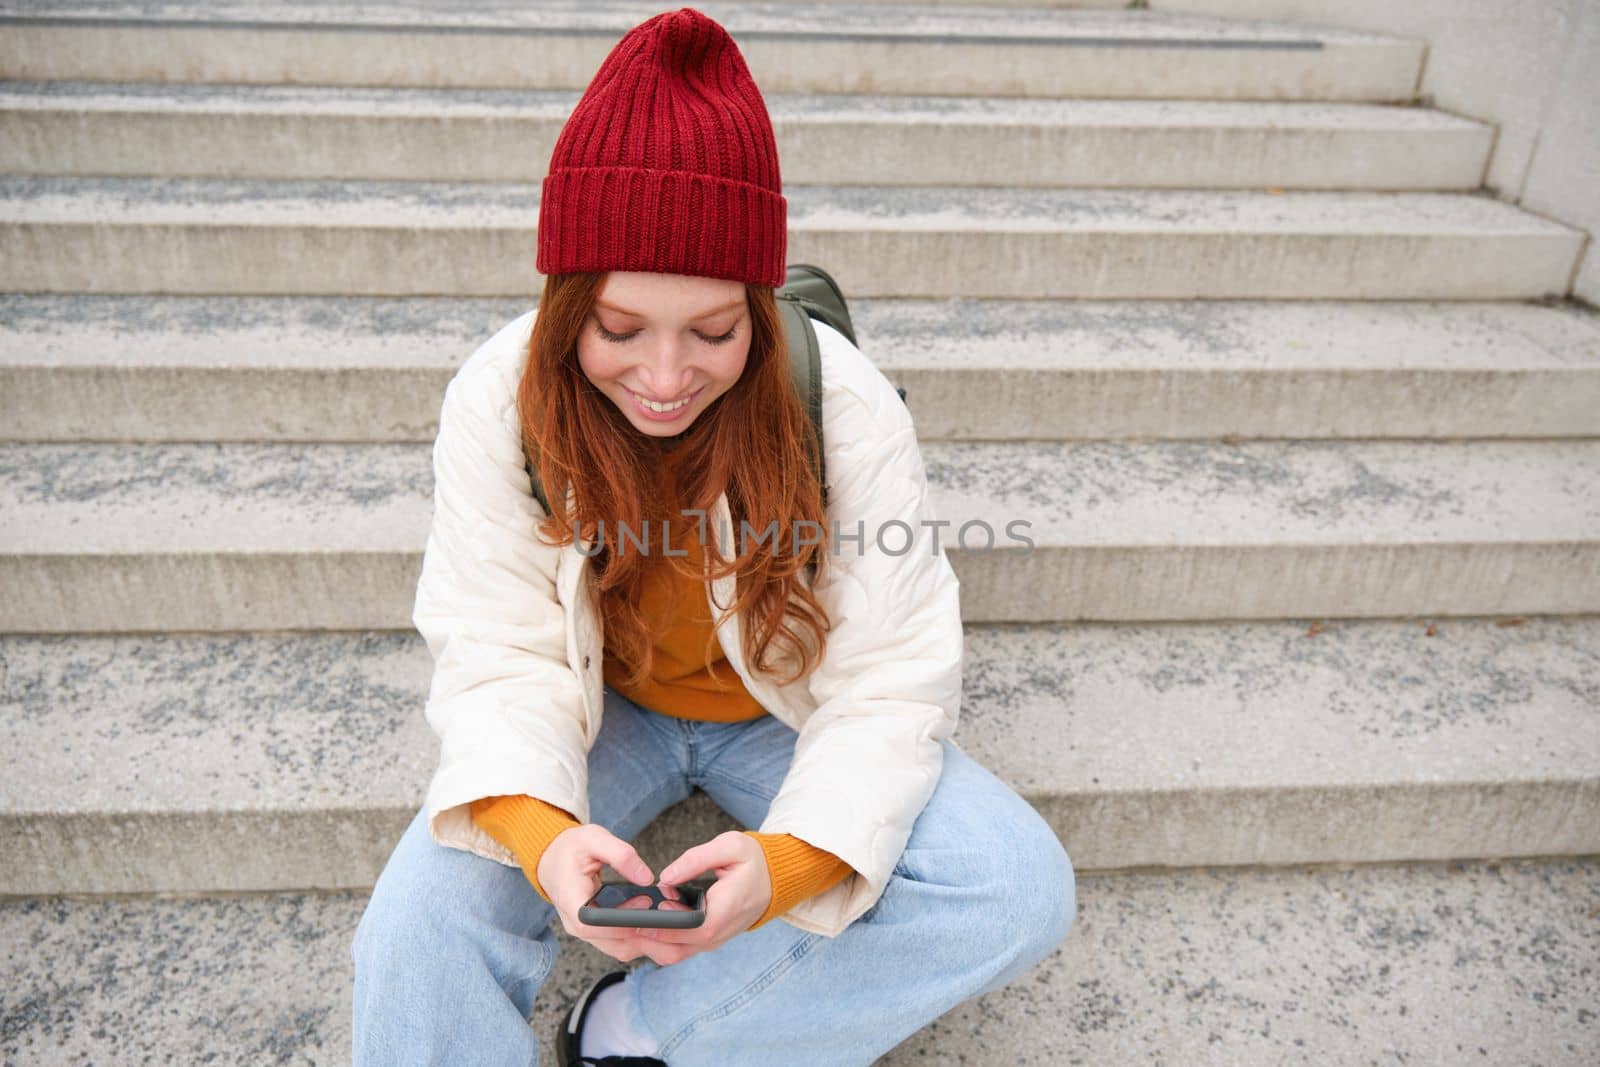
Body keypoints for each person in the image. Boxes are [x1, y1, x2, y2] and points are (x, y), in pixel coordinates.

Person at [350, 7, 1076, 1065]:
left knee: (1014, 882)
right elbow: (496, 641)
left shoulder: (844, 403)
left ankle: (642, 1031)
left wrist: (788, 861)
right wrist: (544, 840)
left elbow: (889, 672)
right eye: (617, 328)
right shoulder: (497, 399)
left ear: (759, 305)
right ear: (565, 307)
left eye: (714, 331)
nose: (662, 376)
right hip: (611, 712)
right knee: (417, 925)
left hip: (785, 709)